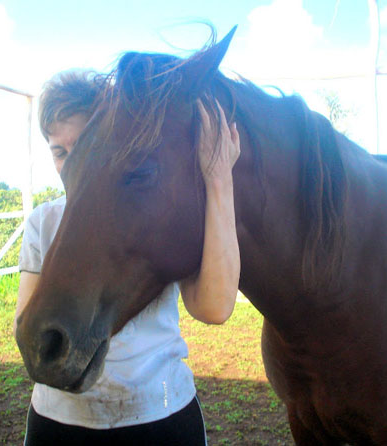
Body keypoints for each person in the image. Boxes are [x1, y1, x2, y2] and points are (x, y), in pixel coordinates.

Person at [15, 70, 240, 445]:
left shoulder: (154, 209)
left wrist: (219, 178)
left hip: (159, 413)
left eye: (83, 146)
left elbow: (214, 308)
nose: (71, 165)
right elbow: (27, 322)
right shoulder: (44, 221)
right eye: (59, 152)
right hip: (59, 420)